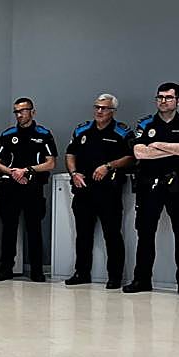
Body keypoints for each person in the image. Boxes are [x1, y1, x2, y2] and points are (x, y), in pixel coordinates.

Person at [124, 83, 179, 297]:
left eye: (169, 97)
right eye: (160, 97)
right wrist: (174, 147)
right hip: (149, 184)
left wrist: (157, 144)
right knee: (145, 234)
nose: (164, 101)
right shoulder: (145, 122)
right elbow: (140, 153)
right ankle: (142, 280)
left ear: (178, 100)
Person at [64, 94, 134, 289]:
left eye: (104, 108)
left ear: (112, 111)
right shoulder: (82, 129)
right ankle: (81, 272)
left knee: (112, 234)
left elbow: (131, 157)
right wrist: (74, 173)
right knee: (83, 234)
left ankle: (115, 276)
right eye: (97, 107)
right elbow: (70, 153)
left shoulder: (122, 132)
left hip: (109, 191)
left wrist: (109, 166)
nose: (99, 111)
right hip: (83, 189)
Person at [0, 98, 57, 281]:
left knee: (34, 229)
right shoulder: (7, 134)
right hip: (10, 188)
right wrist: (12, 172)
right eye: (16, 111)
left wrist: (27, 171)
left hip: (33, 188)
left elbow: (51, 163)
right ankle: (6, 268)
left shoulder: (43, 134)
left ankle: (37, 270)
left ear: (32, 112)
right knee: (9, 230)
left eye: (23, 110)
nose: (19, 115)